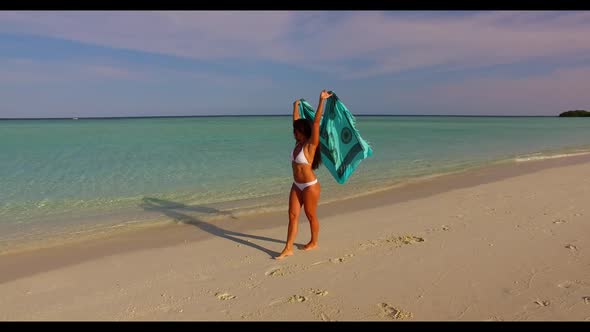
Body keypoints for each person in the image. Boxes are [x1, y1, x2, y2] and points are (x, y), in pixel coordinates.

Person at [276, 89, 333, 259]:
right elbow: (295, 121)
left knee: (310, 215)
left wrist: (321, 100)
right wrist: (295, 106)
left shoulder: (310, 145)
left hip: (310, 186)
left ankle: (314, 242)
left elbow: (316, 123)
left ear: (302, 132)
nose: (294, 132)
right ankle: (288, 248)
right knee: (292, 216)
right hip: (296, 185)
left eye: (296, 131)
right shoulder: (298, 142)